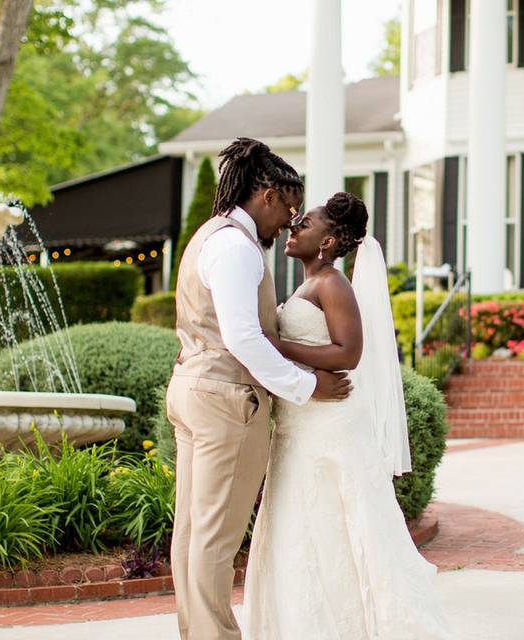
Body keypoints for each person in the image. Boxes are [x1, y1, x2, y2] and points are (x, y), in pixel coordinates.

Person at [242, 192, 452, 639]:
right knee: (304, 525)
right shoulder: (307, 284)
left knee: (334, 522)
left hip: (330, 422)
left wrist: (276, 347)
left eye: (307, 222)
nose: (294, 226)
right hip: (303, 421)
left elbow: (349, 352)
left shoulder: (332, 284)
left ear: (329, 240)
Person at [165, 138, 351, 640]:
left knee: (193, 533)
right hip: (226, 399)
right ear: (267, 195)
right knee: (215, 538)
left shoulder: (210, 235)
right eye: (288, 209)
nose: (288, 223)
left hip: (193, 387)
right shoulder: (236, 247)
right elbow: (243, 336)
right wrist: (306, 386)